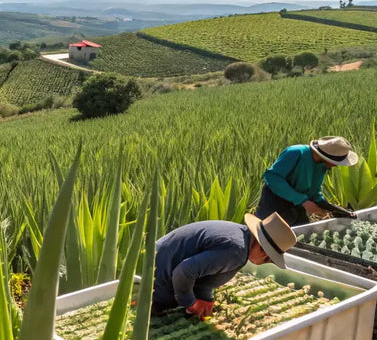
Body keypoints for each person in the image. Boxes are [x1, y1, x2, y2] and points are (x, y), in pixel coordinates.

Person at [152, 212, 297, 319]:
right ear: (263, 251)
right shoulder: (236, 251)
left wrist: (205, 298)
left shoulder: (239, 235)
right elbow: (183, 272)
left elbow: (206, 271)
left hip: (157, 264)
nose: (265, 263)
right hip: (157, 279)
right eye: (269, 260)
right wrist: (191, 303)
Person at [256, 136, 359, 227]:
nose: (336, 165)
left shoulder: (322, 165)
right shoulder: (296, 152)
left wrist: (332, 208)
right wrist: (303, 201)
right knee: (268, 237)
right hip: (274, 202)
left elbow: (314, 193)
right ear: (327, 157)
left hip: (296, 205)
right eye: (336, 162)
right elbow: (272, 177)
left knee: (300, 234)